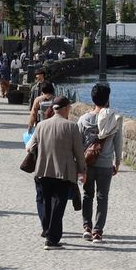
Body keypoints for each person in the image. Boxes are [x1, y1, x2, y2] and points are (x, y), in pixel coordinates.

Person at [26, 96, 85, 249]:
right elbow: (79, 153)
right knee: (59, 205)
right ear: (66, 108)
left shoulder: (41, 125)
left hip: (43, 170)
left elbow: (31, 145)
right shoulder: (72, 127)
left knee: (46, 203)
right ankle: (52, 239)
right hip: (63, 172)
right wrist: (82, 171)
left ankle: (47, 231)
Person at [77, 82, 124, 243]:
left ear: (92, 98)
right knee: (102, 198)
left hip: (87, 163)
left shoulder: (83, 119)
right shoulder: (114, 119)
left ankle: (87, 228)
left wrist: (79, 163)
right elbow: (118, 143)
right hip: (105, 164)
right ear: (107, 99)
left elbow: (78, 143)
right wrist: (117, 162)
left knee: (87, 195)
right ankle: (98, 231)